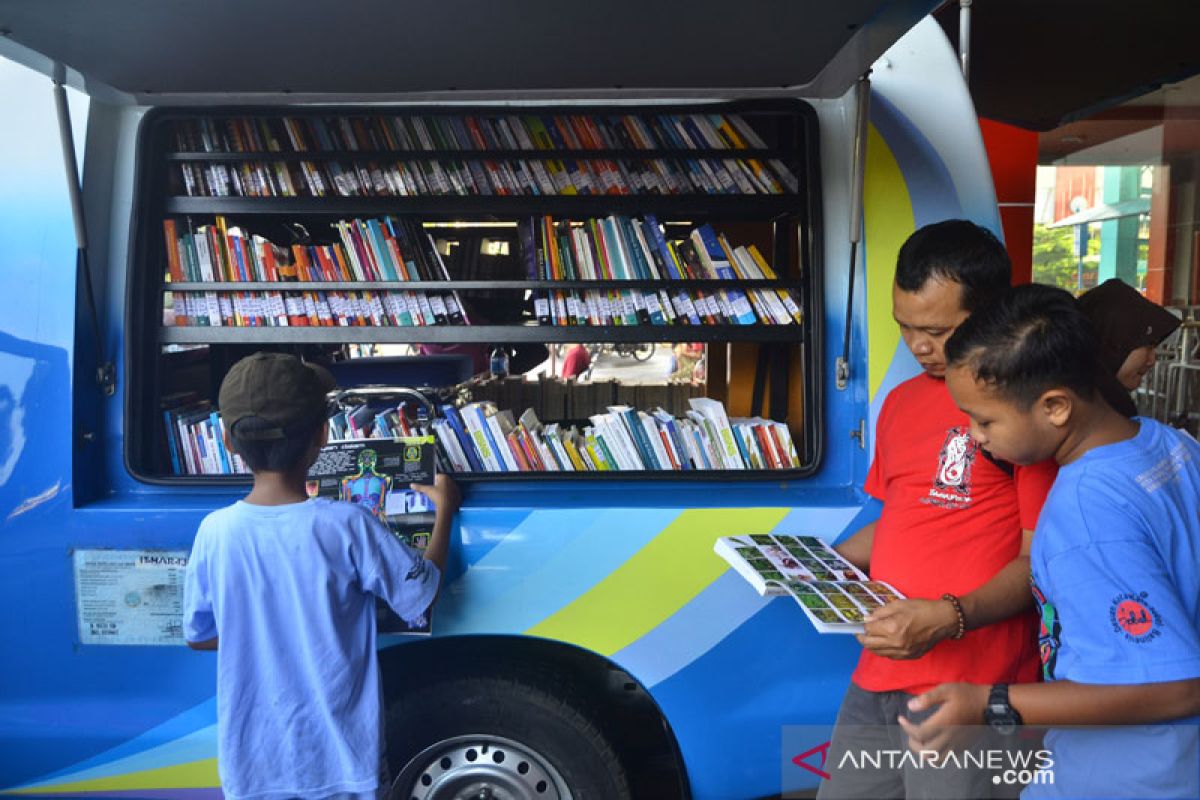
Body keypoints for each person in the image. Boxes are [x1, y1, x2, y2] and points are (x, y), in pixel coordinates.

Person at [904, 284, 1200, 799]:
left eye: (985, 419)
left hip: (1126, 778)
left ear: (1056, 406)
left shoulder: (1083, 512)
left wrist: (990, 704)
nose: (974, 437)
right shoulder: (1168, 443)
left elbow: (1176, 688)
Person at [818, 220, 1056, 799]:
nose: (919, 346)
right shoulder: (899, 404)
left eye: (937, 330)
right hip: (877, 675)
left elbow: (1041, 561)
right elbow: (909, 518)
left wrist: (950, 617)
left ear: (990, 314)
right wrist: (817, 563)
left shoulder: (1020, 414)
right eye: (905, 328)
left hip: (975, 686)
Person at [182, 352, 461, 800]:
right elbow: (421, 595)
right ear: (322, 436)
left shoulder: (214, 532)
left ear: (227, 443)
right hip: (343, 764)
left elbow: (199, 635)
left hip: (253, 770)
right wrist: (445, 508)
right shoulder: (347, 525)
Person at [1077, 277, 1181, 417]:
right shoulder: (1091, 420)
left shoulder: (1108, 410)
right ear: (1112, 343)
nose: (1152, 360)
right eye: (1148, 345)